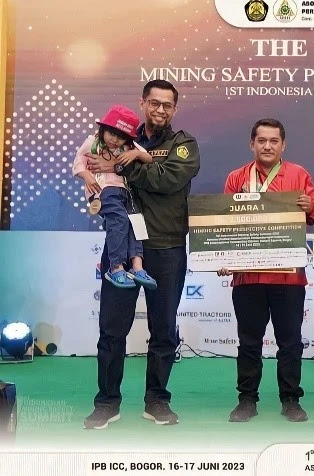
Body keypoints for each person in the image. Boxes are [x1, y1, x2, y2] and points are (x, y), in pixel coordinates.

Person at [82, 80, 200, 429]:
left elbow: (167, 180)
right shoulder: (119, 138)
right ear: (143, 103)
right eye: (154, 103)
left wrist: (122, 164)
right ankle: (107, 403)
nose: (160, 109)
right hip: (122, 247)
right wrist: (106, 168)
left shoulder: (183, 144)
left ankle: (157, 401)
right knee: (111, 328)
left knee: (164, 330)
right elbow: (93, 166)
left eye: (167, 104)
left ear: (175, 109)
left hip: (166, 247)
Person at [219, 118, 314, 423]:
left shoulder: (299, 174)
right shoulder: (236, 178)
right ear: (252, 144)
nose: (267, 146)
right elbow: (222, 223)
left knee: (290, 342)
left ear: (283, 145)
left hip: (288, 275)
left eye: (274, 141)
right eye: (261, 140)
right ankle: (246, 400)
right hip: (247, 277)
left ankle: (291, 399)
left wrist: (310, 206)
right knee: (249, 342)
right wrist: (220, 257)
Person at [72, 105, 157, 290]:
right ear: (103, 128)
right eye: (111, 133)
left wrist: (135, 153)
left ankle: (137, 267)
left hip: (126, 192)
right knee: (119, 219)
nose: (115, 140)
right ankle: (116, 268)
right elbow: (78, 163)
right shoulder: (92, 142)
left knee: (136, 222)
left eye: (121, 136)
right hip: (103, 190)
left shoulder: (129, 147)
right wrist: (86, 176)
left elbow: (149, 159)